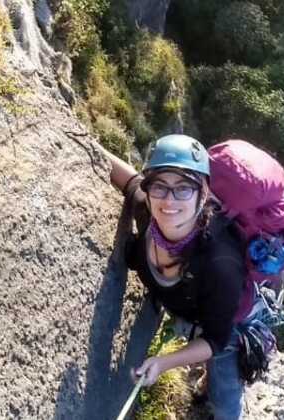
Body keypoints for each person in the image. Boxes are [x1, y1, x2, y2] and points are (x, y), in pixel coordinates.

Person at [106, 134, 247, 420]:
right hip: (184, 302)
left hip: (226, 321)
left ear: (203, 193)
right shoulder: (149, 211)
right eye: (160, 186)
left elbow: (215, 339)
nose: (169, 201)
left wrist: (164, 362)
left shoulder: (221, 263)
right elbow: (128, 179)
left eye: (183, 189)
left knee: (224, 405)